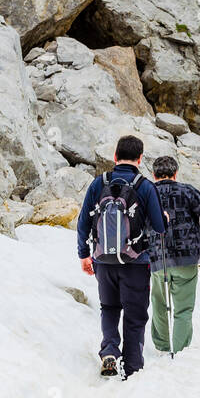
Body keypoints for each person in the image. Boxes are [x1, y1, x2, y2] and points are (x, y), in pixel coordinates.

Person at [77, 135, 165, 379]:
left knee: (109, 307)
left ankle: (109, 351)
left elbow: (83, 221)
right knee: (135, 315)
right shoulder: (145, 186)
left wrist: (84, 255)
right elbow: (159, 227)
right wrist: (164, 219)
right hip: (136, 263)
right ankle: (133, 368)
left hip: (103, 260)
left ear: (115, 157)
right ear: (140, 158)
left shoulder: (98, 183)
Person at [148, 155, 200, 355]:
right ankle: (179, 351)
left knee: (159, 304)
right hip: (186, 257)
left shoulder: (147, 192)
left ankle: (162, 346)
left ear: (154, 174)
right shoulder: (186, 190)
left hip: (157, 256)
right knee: (183, 308)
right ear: (176, 173)